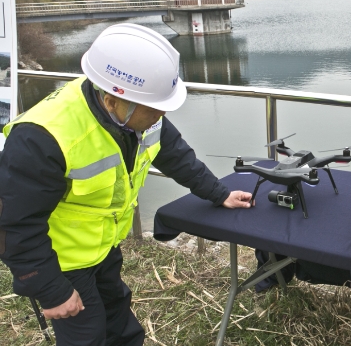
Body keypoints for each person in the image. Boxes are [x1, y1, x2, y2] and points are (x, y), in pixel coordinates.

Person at [0, 23, 252, 345]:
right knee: (87, 336)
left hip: (103, 248)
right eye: (155, 108)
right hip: (63, 261)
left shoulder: (141, 115)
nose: (161, 115)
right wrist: (51, 290)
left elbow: (175, 155)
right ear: (111, 100)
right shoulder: (43, 138)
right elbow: (15, 224)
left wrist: (219, 194)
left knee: (122, 327)